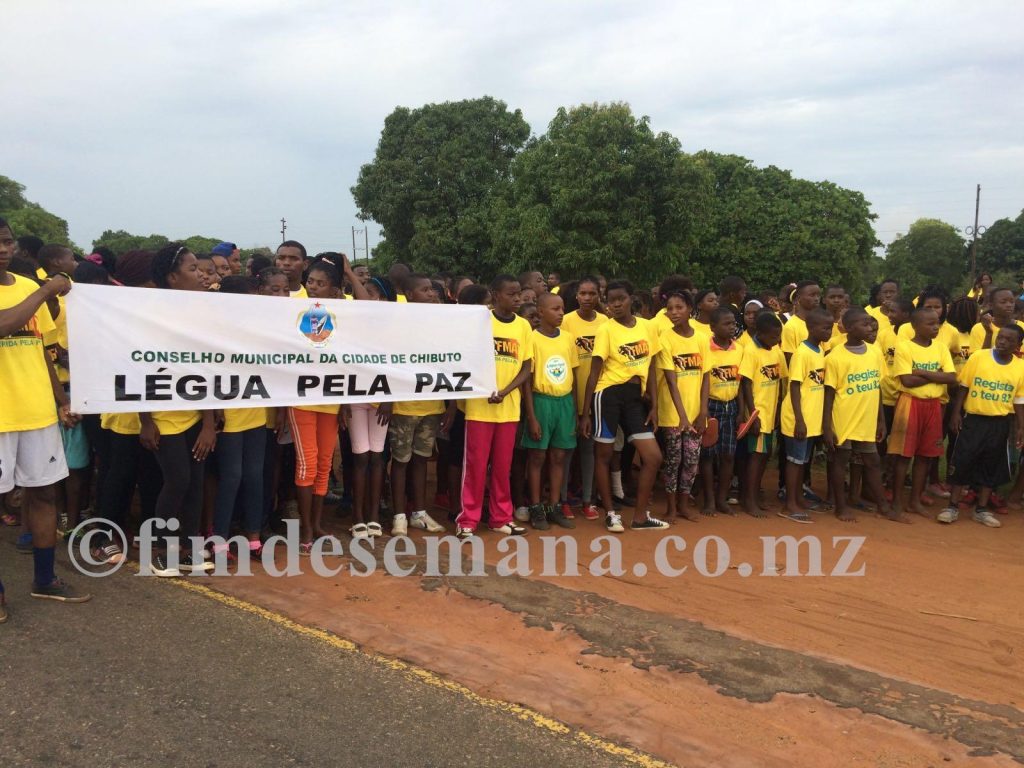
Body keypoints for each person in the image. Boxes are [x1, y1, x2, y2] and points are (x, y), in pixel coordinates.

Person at [0, 218, 91, 607]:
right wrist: (46, 291)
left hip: (37, 412)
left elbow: (42, 349)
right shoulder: (36, 292)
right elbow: (4, 324)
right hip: (2, 417)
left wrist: (60, 400)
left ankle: (44, 578)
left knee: (44, 494)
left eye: (7, 241)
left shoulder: (26, 287)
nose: (3, 249)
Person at [141, 244, 218, 577]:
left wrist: (209, 424)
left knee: (195, 484)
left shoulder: (202, 315)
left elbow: (209, 370)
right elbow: (139, 368)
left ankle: (188, 550)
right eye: (192, 268)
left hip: (195, 415)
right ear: (172, 278)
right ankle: (162, 552)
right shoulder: (151, 316)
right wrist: (145, 420)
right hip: (164, 415)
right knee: (177, 481)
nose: (200, 274)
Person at [580, 280, 666, 531]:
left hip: (635, 398)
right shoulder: (606, 330)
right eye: (611, 300)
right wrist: (585, 413)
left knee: (653, 457)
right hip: (607, 395)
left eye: (621, 299)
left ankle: (640, 518)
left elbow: (651, 366)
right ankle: (610, 513)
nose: (616, 304)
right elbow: (594, 372)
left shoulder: (647, 327)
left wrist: (655, 405)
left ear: (631, 299)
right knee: (604, 455)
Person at [455, 275, 532, 539]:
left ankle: (501, 518)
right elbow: (465, 357)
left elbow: (526, 367)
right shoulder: (480, 321)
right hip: (480, 407)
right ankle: (468, 519)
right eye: (511, 294)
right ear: (496, 294)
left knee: (502, 467)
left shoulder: (523, 326)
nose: (517, 298)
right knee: (475, 466)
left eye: (519, 293)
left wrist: (506, 391)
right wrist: (484, 387)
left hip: (508, 408)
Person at [941, 325, 1024, 528]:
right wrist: (956, 413)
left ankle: (981, 509)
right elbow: (964, 386)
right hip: (974, 419)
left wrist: (1021, 426)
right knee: (963, 460)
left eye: (1009, 339)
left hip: (1000, 423)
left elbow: (1019, 399)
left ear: (1018, 345)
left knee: (991, 464)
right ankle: (952, 506)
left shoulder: (1020, 367)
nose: (1002, 341)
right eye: (1000, 337)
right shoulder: (979, 357)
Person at [387, 274, 448, 537]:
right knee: (401, 461)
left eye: (432, 289)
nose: (431, 293)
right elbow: (388, 359)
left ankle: (419, 513)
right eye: (425, 290)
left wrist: (450, 404)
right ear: (409, 295)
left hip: (432, 405)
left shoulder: (441, 323)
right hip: (404, 406)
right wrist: (388, 399)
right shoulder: (397, 324)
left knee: (422, 460)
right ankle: (399, 515)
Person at [823, 309, 895, 523]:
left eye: (870, 323)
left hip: (867, 419)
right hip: (843, 418)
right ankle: (840, 507)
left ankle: (883, 506)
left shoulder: (874, 352)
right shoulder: (835, 357)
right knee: (841, 461)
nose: (870, 327)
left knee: (872, 461)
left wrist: (881, 420)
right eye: (864, 324)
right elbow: (829, 395)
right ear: (849, 328)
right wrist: (827, 427)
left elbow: (877, 387)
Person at [887, 307, 957, 519]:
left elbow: (951, 377)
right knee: (903, 456)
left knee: (925, 456)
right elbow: (907, 380)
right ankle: (897, 502)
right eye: (930, 323)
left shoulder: (941, 348)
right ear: (915, 326)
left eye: (937, 323)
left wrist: (923, 372)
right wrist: (936, 375)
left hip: (933, 404)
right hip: (910, 403)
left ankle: (915, 501)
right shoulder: (904, 347)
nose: (936, 327)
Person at [521, 293, 579, 530]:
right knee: (537, 457)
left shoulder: (567, 338)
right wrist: (532, 416)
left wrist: (575, 411)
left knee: (558, 457)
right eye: (555, 309)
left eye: (562, 308)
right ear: (541, 312)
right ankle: (536, 507)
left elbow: (574, 375)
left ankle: (554, 505)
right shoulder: (532, 338)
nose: (561, 313)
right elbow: (527, 381)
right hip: (541, 401)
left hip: (564, 402)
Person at [656, 291, 709, 522]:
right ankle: (671, 507)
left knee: (691, 461)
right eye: (670, 308)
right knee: (673, 460)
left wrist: (703, 411)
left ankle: (684, 505)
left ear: (690, 309)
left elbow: (706, 377)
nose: (674, 312)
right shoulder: (665, 339)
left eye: (679, 307)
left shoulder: (702, 339)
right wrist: (682, 417)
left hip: (695, 412)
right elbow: (671, 381)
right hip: (672, 413)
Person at [779, 309, 832, 523]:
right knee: (794, 461)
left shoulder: (819, 351)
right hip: (798, 419)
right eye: (825, 328)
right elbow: (794, 386)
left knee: (802, 461)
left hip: (811, 419)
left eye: (830, 327)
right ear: (811, 328)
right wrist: (799, 420)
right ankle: (789, 503)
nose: (829, 331)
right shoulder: (802, 353)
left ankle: (799, 497)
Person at [561, 277, 607, 520]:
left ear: (599, 295)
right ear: (576, 296)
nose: (588, 298)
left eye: (592, 293)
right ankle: (563, 500)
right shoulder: (566, 321)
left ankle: (588, 501)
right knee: (567, 451)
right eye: (583, 293)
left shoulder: (605, 322)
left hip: (597, 398)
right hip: (570, 396)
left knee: (590, 451)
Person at [738, 310, 786, 518]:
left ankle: (754, 495)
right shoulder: (751, 351)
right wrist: (752, 414)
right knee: (756, 457)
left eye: (779, 336)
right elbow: (746, 384)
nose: (777, 340)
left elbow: (781, 381)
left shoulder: (776, 351)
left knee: (765, 455)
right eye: (774, 336)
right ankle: (749, 500)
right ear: (761, 333)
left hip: (771, 412)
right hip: (758, 413)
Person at [699, 307, 745, 516]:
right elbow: (701, 381)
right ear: (713, 327)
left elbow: (741, 383)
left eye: (733, 323)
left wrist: (741, 410)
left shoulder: (739, 349)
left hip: (731, 405)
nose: (731, 327)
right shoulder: (705, 348)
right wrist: (704, 410)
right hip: (711, 405)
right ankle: (709, 500)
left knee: (728, 455)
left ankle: (721, 499)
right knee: (708, 455)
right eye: (726, 324)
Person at [970, 287, 1023, 353]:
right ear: (991, 305)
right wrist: (989, 334)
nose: (1009, 305)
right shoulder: (978, 328)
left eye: (1012, 302)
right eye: (1003, 302)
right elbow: (979, 358)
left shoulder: (1022, 326)